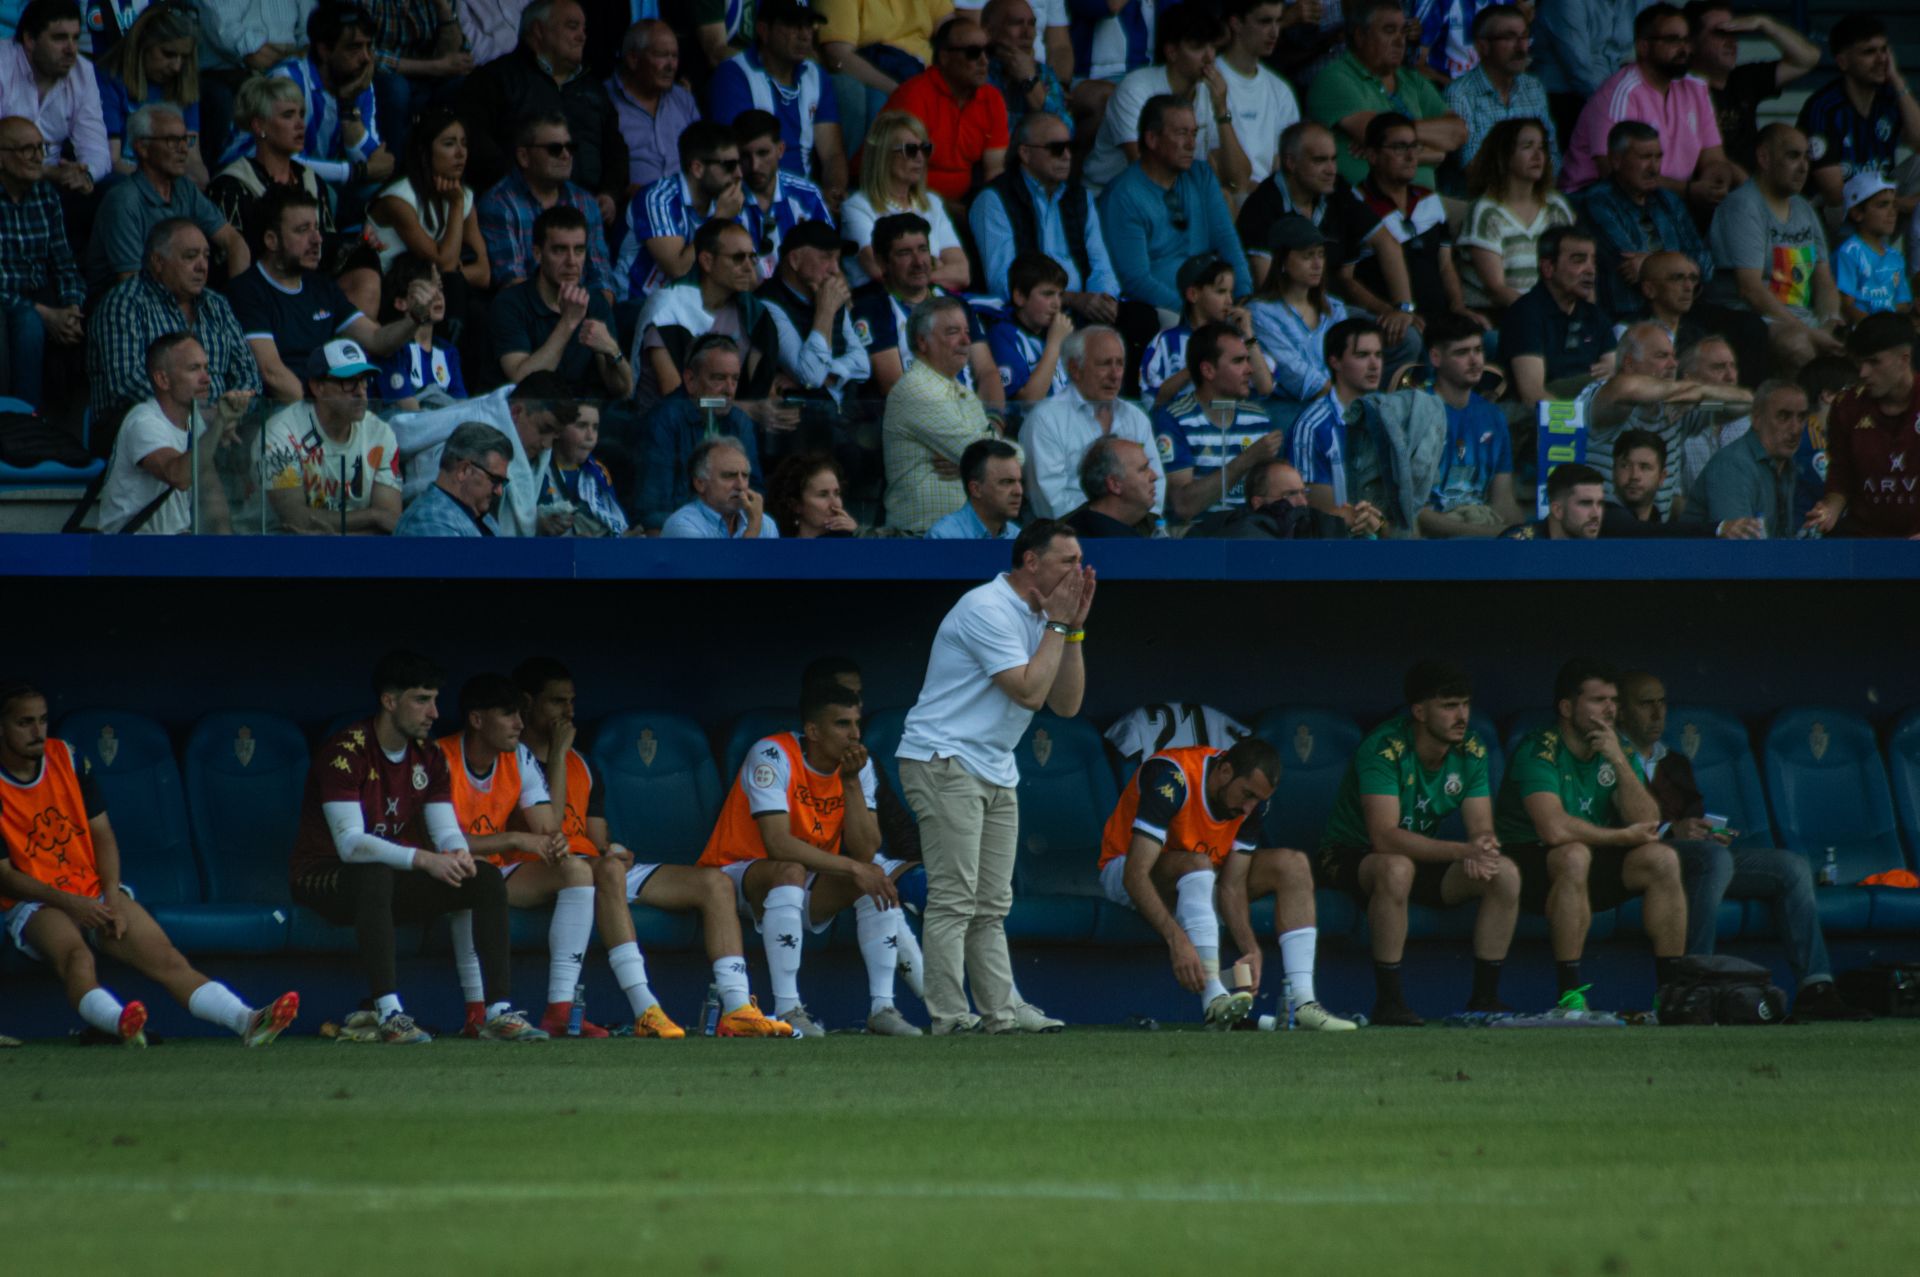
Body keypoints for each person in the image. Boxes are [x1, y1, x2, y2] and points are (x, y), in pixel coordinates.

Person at [0, 681, 297, 1047]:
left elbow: (103, 835)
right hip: (36, 900)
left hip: (90, 888)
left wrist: (110, 898)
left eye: (43, 720)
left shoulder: (68, 757)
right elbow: (6, 877)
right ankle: (118, 1023)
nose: (37, 731)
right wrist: (72, 904)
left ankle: (248, 1020)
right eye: (24, 722)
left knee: (166, 958)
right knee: (76, 957)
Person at [511, 658, 793, 1038]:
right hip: (539, 869)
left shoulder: (584, 763)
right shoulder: (514, 761)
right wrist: (558, 755)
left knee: (715, 884)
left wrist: (612, 849)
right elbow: (552, 830)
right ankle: (646, 1008)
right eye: (557, 702)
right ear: (527, 704)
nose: (569, 712)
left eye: (572, 701)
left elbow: (593, 836)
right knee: (604, 869)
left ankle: (738, 1006)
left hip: (593, 866)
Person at [289, 650, 545, 1044]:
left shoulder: (428, 755)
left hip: (390, 879)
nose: (434, 713)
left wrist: (457, 853)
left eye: (435, 700)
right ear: (389, 701)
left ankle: (497, 1011)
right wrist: (425, 859)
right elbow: (350, 845)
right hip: (325, 877)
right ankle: (389, 1012)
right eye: (422, 700)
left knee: (484, 877)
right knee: (374, 873)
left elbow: (445, 830)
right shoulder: (345, 752)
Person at [896, 518, 1089, 1034]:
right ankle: (950, 1018)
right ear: (1031, 561)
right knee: (954, 898)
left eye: (1080, 561)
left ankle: (1001, 1013)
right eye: (1068, 561)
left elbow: (1066, 705)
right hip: (943, 758)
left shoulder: (1047, 617)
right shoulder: (985, 607)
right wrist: (1057, 625)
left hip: (995, 765)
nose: (1079, 572)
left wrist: (1072, 629)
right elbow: (1028, 692)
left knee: (991, 905)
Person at [1614, 670, 1869, 1021]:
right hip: (1645, 861)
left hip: (1698, 857)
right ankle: (1693, 987)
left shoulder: (1673, 761)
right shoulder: (1610, 758)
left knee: (1790, 867)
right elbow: (1614, 823)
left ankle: (1816, 988)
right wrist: (1672, 831)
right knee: (1714, 859)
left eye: (1662, 703)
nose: (1658, 714)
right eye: (1646, 704)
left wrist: (1705, 831)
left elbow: (1692, 815)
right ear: (1622, 711)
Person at [697, 680, 924, 1036]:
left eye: (856, 723)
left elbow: (865, 850)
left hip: (804, 879)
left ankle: (883, 1007)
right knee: (793, 869)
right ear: (813, 730)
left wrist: (851, 783)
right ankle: (788, 1007)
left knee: (874, 877)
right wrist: (854, 867)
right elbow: (778, 844)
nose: (854, 734)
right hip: (736, 876)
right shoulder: (772, 754)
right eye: (842, 724)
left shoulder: (858, 766)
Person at [1101, 733, 1352, 1030]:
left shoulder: (1253, 806)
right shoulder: (1172, 778)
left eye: (1258, 800)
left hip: (1201, 879)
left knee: (1292, 865)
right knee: (1198, 864)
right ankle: (1214, 1000)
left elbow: (1232, 885)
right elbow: (1134, 875)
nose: (1249, 808)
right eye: (1247, 794)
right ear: (1224, 771)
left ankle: (1303, 1002)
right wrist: (1176, 939)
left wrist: (1250, 949)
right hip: (1126, 872)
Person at [1319, 660, 1518, 1025]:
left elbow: (1480, 826)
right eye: (1449, 706)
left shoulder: (1471, 749)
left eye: (1465, 704)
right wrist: (1462, 850)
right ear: (1419, 711)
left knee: (1503, 873)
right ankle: (1389, 1002)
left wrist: (1484, 846)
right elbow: (1384, 837)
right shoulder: (1384, 748)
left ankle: (1485, 999)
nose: (1462, 716)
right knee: (1396, 867)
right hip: (1351, 855)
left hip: (1418, 857)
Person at [1493, 658, 1686, 1014]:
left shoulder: (1617, 748)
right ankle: (1570, 996)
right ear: (1567, 708)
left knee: (1663, 860)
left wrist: (1618, 761)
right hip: (1530, 867)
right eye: (1598, 700)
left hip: (1592, 860)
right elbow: (1554, 829)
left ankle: (1671, 994)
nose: (1610, 709)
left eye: (1614, 700)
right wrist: (1620, 838)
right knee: (1573, 854)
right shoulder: (1538, 749)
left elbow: (1648, 823)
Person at [432, 672, 602, 1038]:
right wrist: (515, 838)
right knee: (472, 869)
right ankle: (477, 1013)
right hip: (436, 875)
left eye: (519, 714)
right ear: (477, 719)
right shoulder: (438, 757)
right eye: (508, 714)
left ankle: (560, 1009)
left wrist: (554, 842)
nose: (519, 724)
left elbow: (547, 826)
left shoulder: (519, 756)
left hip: (495, 873)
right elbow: (441, 843)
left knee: (576, 870)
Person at [229, 186, 430, 403]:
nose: (317, 239)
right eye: (302, 230)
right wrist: (315, 414)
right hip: (280, 412)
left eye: (316, 228)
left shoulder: (321, 287)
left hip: (325, 407)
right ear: (271, 240)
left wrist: (415, 319)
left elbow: (377, 340)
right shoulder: (247, 290)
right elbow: (272, 373)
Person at [457, 0, 626, 220]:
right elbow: (476, 143)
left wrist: (610, 193)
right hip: (517, 211)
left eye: (584, 30)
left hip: (590, 212)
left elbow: (616, 149)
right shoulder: (494, 79)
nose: (582, 37)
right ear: (538, 30)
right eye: (572, 26)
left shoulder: (594, 89)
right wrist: (526, 190)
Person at [86, 218, 259, 426]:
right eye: (190, 256)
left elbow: (248, 375)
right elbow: (128, 384)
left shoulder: (217, 305)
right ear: (158, 262)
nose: (202, 266)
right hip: (146, 428)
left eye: (206, 256)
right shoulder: (125, 304)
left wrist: (229, 415)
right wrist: (200, 417)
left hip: (221, 429)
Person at [1561, 4, 1733, 212]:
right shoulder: (1621, 92)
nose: (1684, 49)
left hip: (1668, 200)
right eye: (1672, 40)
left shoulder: (1696, 88)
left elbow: (1714, 158)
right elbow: (1616, 174)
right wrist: (1689, 191)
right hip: (1597, 200)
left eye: (1686, 40)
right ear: (1643, 47)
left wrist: (1715, 184)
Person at [1706, 124, 1846, 372]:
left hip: (1802, 319)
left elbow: (1824, 279)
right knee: (1798, 346)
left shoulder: (1804, 208)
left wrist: (1830, 322)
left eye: (1806, 157)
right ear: (1764, 158)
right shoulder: (1743, 206)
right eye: (1793, 156)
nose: (1803, 167)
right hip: (1754, 318)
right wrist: (1810, 333)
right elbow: (1750, 289)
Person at [1581, 321, 1753, 520]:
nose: (1673, 365)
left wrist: (1700, 395)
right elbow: (1625, 388)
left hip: (1654, 533)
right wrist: (1694, 390)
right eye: (1662, 356)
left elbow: (1745, 403)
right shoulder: (1607, 400)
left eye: (1673, 356)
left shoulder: (1681, 406)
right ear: (1629, 364)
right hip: (1604, 530)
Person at [1098, 95, 1251, 315]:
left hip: (1212, 301)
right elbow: (1136, 280)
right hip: (1160, 310)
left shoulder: (1201, 175)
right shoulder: (1123, 195)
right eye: (1181, 133)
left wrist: (1244, 295)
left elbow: (1227, 241)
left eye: (1194, 134)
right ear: (1152, 139)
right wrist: (1194, 312)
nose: (1191, 144)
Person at [968, 110, 1122, 323]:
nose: (1067, 156)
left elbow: (1101, 266)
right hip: (1027, 318)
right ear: (1025, 153)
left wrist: (1103, 300)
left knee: (1142, 318)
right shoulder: (994, 199)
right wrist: (1069, 299)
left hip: (1082, 312)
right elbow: (1003, 284)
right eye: (1057, 149)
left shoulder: (1079, 197)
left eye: (1071, 147)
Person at [219, 4, 398, 187]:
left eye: (369, 46)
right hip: (250, 179)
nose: (366, 58)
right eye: (355, 48)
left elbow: (372, 161)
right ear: (324, 50)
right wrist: (355, 172)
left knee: (373, 187)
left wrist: (348, 106)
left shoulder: (357, 82)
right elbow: (286, 161)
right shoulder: (288, 79)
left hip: (311, 179)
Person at [1082, 5, 1248, 197]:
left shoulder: (1210, 93)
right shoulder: (1135, 89)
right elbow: (1146, 171)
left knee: (1226, 197)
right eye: (1198, 46)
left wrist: (1221, 110)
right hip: (1109, 195)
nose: (1209, 57)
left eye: (1212, 46)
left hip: (1174, 196)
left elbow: (1238, 180)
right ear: (1171, 52)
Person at [1236, 120, 1400, 309]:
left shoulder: (1338, 190)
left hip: (1334, 309)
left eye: (1333, 159)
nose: (1331, 170)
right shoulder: (1262, 205)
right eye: (1320, 160)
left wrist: (1399, 309)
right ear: (1291, 162)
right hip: (1286, 314)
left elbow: (1384, 244)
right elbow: (1267, 288)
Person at [350, 106, 488, 331]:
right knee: (454, 292)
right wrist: (455, 206)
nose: (461, 153)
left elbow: (484, 273)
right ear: (425, 152)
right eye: (449, 144)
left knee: (476, 312)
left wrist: (448, 274)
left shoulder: (463, 196)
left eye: (464, 143)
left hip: (430, 290)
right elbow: (446, 266)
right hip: (390, 293)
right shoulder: (399, 200)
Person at [85, 104, 248, 291]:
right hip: (130, 304)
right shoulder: (123, 201)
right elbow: (132, 286)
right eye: (172, 140)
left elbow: (235, 242)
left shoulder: (185, 189)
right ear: (142, 148)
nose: (184, 149)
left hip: (177, 297)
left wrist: (239, 299)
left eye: (185, 140)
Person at [1308, 0, 1466, 189]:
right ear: (1360, 36)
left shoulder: (1413, 80)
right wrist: (1435, 152)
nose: (1400, 41)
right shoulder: (1335, 78)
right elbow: (1376, 133)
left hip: (1424, 201)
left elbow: (1458, 132)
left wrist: (1396, 138)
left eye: (1403, 32)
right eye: (1389, 31)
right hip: (1365, 201)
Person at [881, 294, 1001, 534]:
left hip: (965, 536)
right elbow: (991, 458)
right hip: (921, 540)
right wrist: (974, 464)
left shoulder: (966, 395)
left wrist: (968, 464)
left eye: (967, 332)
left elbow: (1002, 458)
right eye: (953, 332)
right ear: (922, 342)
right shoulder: (915, 390)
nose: (966, 341)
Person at [260, 339, 403, 535]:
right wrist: (372, 516)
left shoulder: (380, 433)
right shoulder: (280, 433)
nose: (361, 392)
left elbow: (390, 522)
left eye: (364, 380)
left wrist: (335, 539)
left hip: (353, 547)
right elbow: (295, 519)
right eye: (349, 382)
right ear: (317, 386)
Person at [489, 204, 630, 399]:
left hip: (586, 409)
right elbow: (521, 381)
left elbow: (624, 390)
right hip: (529, 411)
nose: (572, 261)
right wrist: (568, 322)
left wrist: (612, 350)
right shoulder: (510, 304)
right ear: (538, 254)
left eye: (579, 250)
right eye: (560, 250)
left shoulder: (595, 302)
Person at [1022, 325, 1164, 520]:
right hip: (1070, 533)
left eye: (1120, 364)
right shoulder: (1045, 420)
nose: (1115, 375)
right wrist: (1105, 526)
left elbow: (1156, 484)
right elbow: (1050, 504)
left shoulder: (1136, 418)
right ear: (1075, 369)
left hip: (1135, 530)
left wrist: (1141, 525)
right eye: (1105, 364)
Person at [1579, 122, 1716, 324]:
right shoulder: (1598, 202)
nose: (1654, 168)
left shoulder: (1669, 200)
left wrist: (1649, 261)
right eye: (1645, 158)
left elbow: (1706, 264)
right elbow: (1629, 266)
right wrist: (1683, 265)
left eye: (1658, 157)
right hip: (1627, 318)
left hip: (1681, 315)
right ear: (1616, 160)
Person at [709, 1, 845, 202]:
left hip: (805, 199)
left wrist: (833, 192)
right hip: (754, 200)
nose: (804, 35)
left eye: (809, 25)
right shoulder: (735, 74)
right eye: (793, 25)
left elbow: (832, 154)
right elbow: (736, 159)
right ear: (763, 30)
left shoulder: (815, 75)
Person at [849, 214, 996, 401]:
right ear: (883, 262)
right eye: (905, 253)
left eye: (923, 249)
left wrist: (992, 415)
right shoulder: (873, 310)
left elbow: (987, 372)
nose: (919, 262)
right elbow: (894, 386)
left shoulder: (957, 304)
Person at [1352, 111, 1473, 336]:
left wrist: (1458, 307)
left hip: (1440, 322)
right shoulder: (1356, 203)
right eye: (1399, 148)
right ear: (1372, 155)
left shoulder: (1429, 198)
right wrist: (1389, 311)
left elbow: (1445, 264)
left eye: (1414, 146)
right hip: (1392, 324)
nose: (1410, 156)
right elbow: (1345, 278)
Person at [1152, 321, 1286, 522]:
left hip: (1250, 532)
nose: (1250, 369)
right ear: (1208, 370)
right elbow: (1183, 506)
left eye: (1248, 360)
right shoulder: (1173, 419)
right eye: (1238, 361)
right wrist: (1247, 459)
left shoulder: (1258, 419)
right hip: (1196, 536)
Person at [97, 333, 231, 535]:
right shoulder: (143, 421)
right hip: (129, 546)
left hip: (174, 543)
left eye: (206, 368)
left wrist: (226, 542)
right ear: (163, 380)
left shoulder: (195, 422)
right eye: (194, 369)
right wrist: (219, 423)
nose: (206, 379)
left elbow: (211, 492)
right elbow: (178, 475)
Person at [1804, 313, 1920, 539]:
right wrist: (1828, 510)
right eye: (1860, 362)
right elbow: (1840, 477)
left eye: (1874, 362)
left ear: (1904, 359)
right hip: (1863, 542)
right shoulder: (1846, 406)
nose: (1863, 373)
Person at [477, 112, 615, 299]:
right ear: (524, 156)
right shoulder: (499, 205)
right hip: (528, 313)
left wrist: (595, 312)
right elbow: (512, 284)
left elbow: (602, 278)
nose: (566, 155)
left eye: (570, 147)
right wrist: (566, 313)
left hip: (584, 308)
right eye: (554, 149)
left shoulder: (585, 202)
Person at [1795, 16, 1920, 219]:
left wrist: (1897, 79)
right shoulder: (1824, 108)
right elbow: (1834, 192)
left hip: (1881, 201)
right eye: (1869, 52)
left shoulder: (1889, 97)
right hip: (1838, 214)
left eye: (1884, 50)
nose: (1882, 59)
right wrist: (1894, 204)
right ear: (1843, 62)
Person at [637, 333, 764, 531]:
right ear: (690, 380)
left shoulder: (740, 422)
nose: (729, 390)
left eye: (735, 379)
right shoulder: (665, 420)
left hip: (731, 531)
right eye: (719, 378)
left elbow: (754, 492)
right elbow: (653, 511)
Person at [756, 216, 869, 434]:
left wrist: (830, 376)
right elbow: (810, 376)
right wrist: (825, 312)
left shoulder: (830, 293)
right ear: (795, 260)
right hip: (798, 428)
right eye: (826, 257)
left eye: (838, 259)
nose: (835, 270)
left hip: (843, 418)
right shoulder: (767, 304)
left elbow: (863, 365)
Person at [1683, 0, 1820, 177]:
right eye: (1720, 32)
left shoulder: (1744, 78)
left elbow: (1807, 59)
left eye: (1734, 32)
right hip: (1707, 186)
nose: (1730, 41)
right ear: (1691, 43)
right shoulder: (1678, 90)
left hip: (1752, 186)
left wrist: (1765, 23)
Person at [0, 115, 82, 408]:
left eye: (41, 148)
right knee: (29, 322)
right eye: (27, 149)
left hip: (40, 293)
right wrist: (44, 314)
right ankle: (23, 420)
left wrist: (72, 307)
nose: (38, 157)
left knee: (81, 322)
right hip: (6, 297)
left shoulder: (46, 196)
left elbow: (64, 262)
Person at [207, 74, 338, 258]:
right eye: (288, 115)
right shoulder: (230, 187)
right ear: (259, 126)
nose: (301, 125)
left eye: (301, 114)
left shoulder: (314, 182)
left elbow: (330, 252)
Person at [618, 119, 748, 300]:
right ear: (697, 168)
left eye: (740, 164)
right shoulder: (658, 198)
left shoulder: (725, 200)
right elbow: (678, 270)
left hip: (690, 306)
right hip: (637, 303)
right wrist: (719, 220)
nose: (739, 174)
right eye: (729, 166)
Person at [1419, 310, 1523, 536]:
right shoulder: (1416, 414)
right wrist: (1485, 535)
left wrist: (1523, 534)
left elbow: (1503, 501)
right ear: (1436, 357)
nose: (1475, 360)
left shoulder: (1493, 416)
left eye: (1478, 350)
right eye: (1462, 352)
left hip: (1481, 531)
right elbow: (1414, 511)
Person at [839, 110, 968, 291]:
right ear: (883, 155)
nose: (920, 158)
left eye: (925, 149)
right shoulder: (857, 207)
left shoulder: (932, 203)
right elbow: (879, 270)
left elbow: (963, 273)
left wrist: (914, 273)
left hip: (932, 301)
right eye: (910, 150)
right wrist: (935, 265)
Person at [1456, 115, 1572, 317]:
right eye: (1527, 146)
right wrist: (1545, 318)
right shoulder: (1485, 211)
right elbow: (1497, 289)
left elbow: (1574, 267)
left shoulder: (1556, 206)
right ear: (1504, 156)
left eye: (1542, 147)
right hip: (1498, 316)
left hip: (1550, 314)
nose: (1538, 155)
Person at [879, 17, 1003, 205]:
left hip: (959, 204)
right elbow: (900, 173)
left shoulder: (992, 99)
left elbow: (995, 171)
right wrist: (953, 212)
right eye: (973, 53)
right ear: (944, 57)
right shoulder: (915, 95)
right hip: (903, 198)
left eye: (989, 51)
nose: (984, 61)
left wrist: (985, 211)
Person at [1499, 225, 1613, 412]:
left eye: (1593, 261)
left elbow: (1613, 367)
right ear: (1548, 268)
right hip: (1538, 417)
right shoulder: (1525, 314)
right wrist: (1577, 421)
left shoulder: (1596, 316)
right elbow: (1532, 395)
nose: (1591, 270)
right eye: (1579, 260)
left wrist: (1613, 370)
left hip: (1591, 407)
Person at [0, 0, 110, 189]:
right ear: (30, 40)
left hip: (56, 180)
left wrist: (85, 174)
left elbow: (96, 147)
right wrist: (47, 172)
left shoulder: (82, 71)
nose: (71, 49)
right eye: (60, 38)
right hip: (6, 176)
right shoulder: (3, 64)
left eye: (75, 38)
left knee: (113, 187)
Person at [1140, 254, 1275, 407]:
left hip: (1231, 418)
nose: (1229, 301)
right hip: (1183, 419)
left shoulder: (1240, 339)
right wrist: (1195, 367)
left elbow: (1265, 388)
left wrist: (1249, 335)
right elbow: (1152, 399)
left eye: (1231, 293)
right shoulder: (1166, 340)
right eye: (1221, 292)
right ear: (1193, 294)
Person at [94, 3, 203, 184]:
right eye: (168, 54)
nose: (177, 67)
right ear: (143, 44)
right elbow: (112, 160)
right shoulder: (109, 80)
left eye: (184, 57)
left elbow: (193, 158)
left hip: (171, 183)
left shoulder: (184, 84)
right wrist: (160, 184)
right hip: (126, 183)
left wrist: (200, 181)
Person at [1684, 378, 1805, 538]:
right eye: (1783, 417)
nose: (1796, 429)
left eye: (1801, 418)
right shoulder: (1733, 465)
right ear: (1756, 418)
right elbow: (1739, 546)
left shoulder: (1787, 464)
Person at [1288, 316, 1384, 514]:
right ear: (1335, 362)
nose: (1375, 365)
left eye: (1378, 355)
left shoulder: (1390, 417)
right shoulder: (1312, 426)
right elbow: (1322, 513)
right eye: (1362, 355)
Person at [1445, 4, 1559, 171]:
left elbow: (1552, 153)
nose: (1521, 47)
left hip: (1533, 186)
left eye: (1525, 37)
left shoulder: (1533, 87)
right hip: (1483, 188)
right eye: (1509, 38)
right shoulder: (1460, 94)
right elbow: (1472, 166)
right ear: (1483, 46)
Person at [1249, 215, 1349, 403]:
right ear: (1282, 261)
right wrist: (1345, 398)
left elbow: (1349, 361)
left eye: (1321, 254)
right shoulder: (1260, 312)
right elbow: (1291, 371)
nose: (1318, 264)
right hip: (1287, 408)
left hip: (1338, 402)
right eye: (1308, 256)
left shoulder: (1335, 308)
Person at [1599, 425, 1759, 538]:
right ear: (1613, 471)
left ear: (1662, 477)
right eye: (1625, 465)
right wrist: (1717, 529)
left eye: (1645, 467)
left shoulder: (1658, 520)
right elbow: (1644, 532)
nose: (1634, 475)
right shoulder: (1605, 515)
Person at [735, 107, 835, 280]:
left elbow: (829, 256)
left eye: (763, 153)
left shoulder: (807, 196)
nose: (754, 166)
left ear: (780, 150)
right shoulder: (725, 200)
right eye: (745, 156)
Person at [605, 18, 699, 194]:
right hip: (629, 205)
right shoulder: (604, 99)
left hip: (685, 204)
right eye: (662, 55)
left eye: (675, 56)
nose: (671, 66)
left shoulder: (683, 99)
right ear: (633, 59)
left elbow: (703, 154)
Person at [1216, 0, 1301, 192]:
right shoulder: (1209, 79)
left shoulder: (1280, 90)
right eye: (1265, 21)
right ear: (1236, 23)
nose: (1275, 32)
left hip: (1267, 198)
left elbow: (1285, 163)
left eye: (1278, 21)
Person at [1532, 0, 1639, 145]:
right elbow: (1578, 69)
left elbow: (1619, 51)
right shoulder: (1567, 3)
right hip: (1563, 97)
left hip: (1606, 90)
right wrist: (1614, 106)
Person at [392, 420, 515, 536]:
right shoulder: (428, 521)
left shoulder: (483, 518)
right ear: (464, 470)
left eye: (503, 482)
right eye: (495, 480)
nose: (499, 491)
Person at [375, 255, 465, 410]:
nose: (438, 296)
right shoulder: (393, 349)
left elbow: (462, 406)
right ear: (401, 303)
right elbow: (408, 410)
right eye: (426, 291)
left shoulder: (449, 351)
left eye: (439, 288)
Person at [984, 250, 1071, 409]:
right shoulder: (1001, 335)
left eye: (1060, 295)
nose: (1057, 304)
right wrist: (1055, 345)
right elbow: (1026, 401)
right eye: (1048, 294)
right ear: (1020, 297)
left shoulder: (1057, 331)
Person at [981, 0, 1069, 144]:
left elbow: (1066, 131)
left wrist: (1030, 80)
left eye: (1032, 24)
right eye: (1016, 23)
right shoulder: (978, 70)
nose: (1027, 33)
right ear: (989, 32)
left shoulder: (1043, 73)